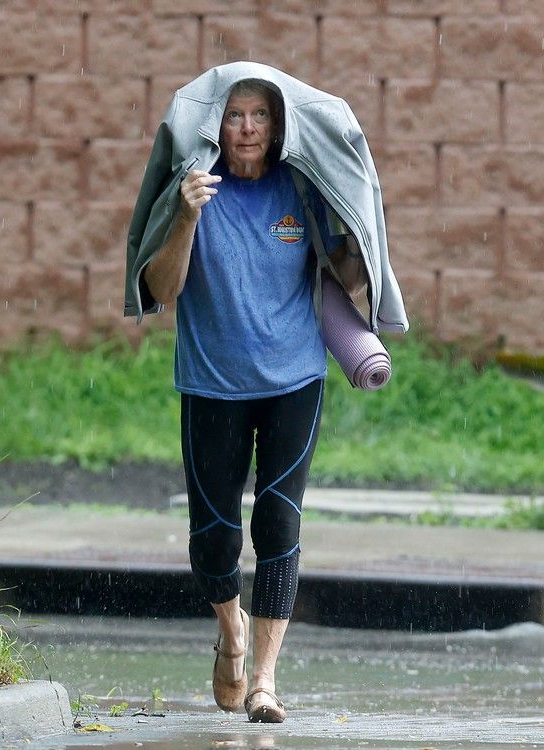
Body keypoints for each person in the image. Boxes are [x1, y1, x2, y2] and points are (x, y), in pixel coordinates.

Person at [141, 78, 366, 723]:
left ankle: (265, 679)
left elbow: (346, 272)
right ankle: (230, 629)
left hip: (294, 379)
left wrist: (357, 233)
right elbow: (163, 287)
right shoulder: (194, 187)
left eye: (258, 115)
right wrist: (185, 213)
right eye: (235, 115)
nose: (246, 128)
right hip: (212, 382)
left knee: (278, 523)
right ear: (219, 123)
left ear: (276, 124)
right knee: (214, 541)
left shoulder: (300, 186)